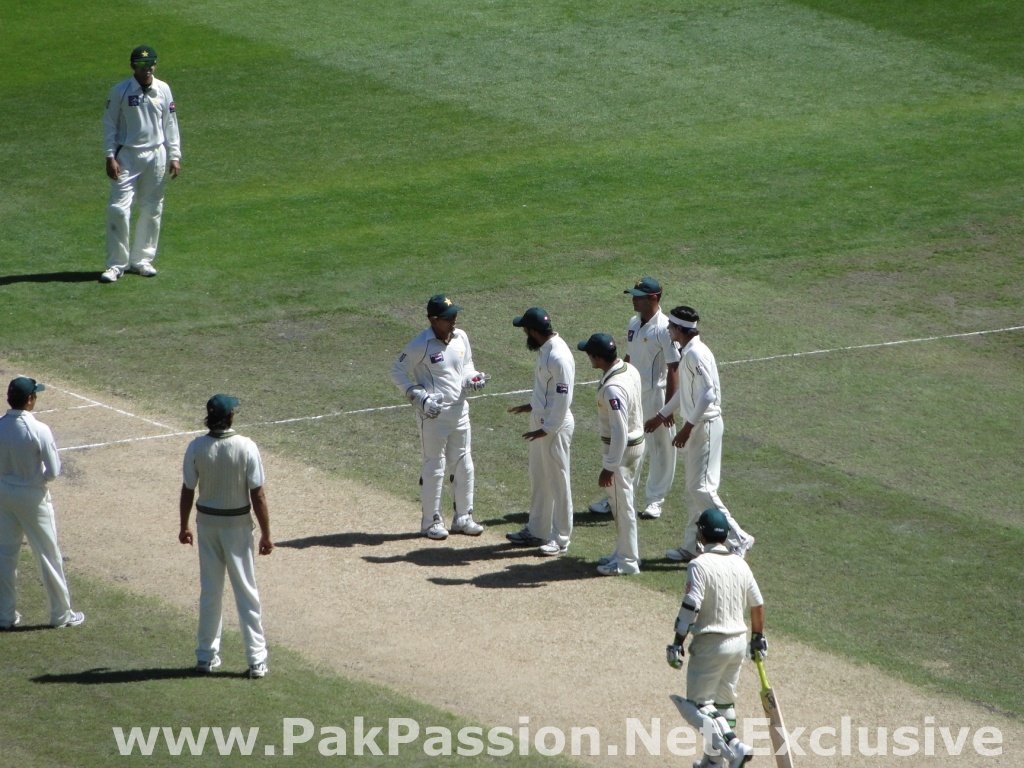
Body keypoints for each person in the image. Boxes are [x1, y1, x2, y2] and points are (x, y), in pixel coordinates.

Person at [648, 306, 754, 562]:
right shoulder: (689, 352)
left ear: (678, 329)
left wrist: (686, 428)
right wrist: (661, 415)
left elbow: (708, 394)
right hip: (699, 426)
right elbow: (685, 392)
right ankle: (691, 546)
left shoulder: (696, 353)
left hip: (704, 427)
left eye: (671, 327)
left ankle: (739, 539)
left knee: (701, 488)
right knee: (693, 491)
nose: (668, 331)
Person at [179, 395, 272, 678]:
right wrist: (267, 534)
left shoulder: (196, 446)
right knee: (246, 592)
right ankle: (256, 660)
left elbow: (187, 490)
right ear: (230, 416)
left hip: (207, 524)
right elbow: (257, 494)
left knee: (210, 591)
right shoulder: (246, 446)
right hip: (236, 527)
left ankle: (206, 657)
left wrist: (184, 526)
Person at [665, 508, 764, 768]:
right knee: (723, 704)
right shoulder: (741, 564)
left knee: (698, 706)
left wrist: (677, 642)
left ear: (701, 533)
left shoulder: (699, 564)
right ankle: (713, 761)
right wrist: (758, 638)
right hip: (738, 644)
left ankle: (734, 745)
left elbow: (691, 605)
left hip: (711, 644)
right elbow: (758, 604)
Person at [391, 295, 489, 540]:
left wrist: (472, 378)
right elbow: (397, 370)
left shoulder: (461, 337)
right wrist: (417, 396)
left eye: (454, 315)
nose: (454, 320)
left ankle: (463, 516)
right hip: (433, 415)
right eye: (448, 317)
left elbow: (466, 365)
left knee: (464, 463)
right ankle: (430, 521)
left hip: (460, 410)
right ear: (433, 320)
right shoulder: (419, 344)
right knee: (435, 465)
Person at [0, 377, 85, 630]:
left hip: (3, 495)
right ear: (29, 400)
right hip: (33, 496)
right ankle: (61, 615)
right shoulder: (39, 429)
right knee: (48, 554)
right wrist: (37, 480)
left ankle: (4, 616)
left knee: (5, 556)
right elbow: (54, 471)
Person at [101, 45, 182, 283]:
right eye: (142, 64)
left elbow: (171, 122)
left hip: (156, 154)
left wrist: (174, 155)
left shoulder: (163, 89)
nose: (147, 69)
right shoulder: (121, 91)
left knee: (152, 208)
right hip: (127, 155)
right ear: (133, 66)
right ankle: (116, 264)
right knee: (118, 208)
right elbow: (109, 124)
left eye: (151, 64)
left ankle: (142, 260)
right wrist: (109, 156)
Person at [506, 308, 575, 556]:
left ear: (534, 331)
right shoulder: (546, 350)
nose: (524, 333)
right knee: (539, 477)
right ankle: (537, 529)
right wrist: (532, 406)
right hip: (541, 420)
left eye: (525, 329)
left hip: (553, 426)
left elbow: (563, 398)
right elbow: (547, 391)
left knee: (558, 482)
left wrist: (547, 429)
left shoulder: (558, 356)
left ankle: (561, 538)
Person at [577, 334, 644, 575]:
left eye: (590, 355)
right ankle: (625, 552)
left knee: (622, 505)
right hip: (636, 444)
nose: (588, 358)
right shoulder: (630, 369)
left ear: (597, 357)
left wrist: (609, 466)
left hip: (622, 450)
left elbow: (619, 431)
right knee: (625, 503)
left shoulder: (612, 389)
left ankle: (627, 562)